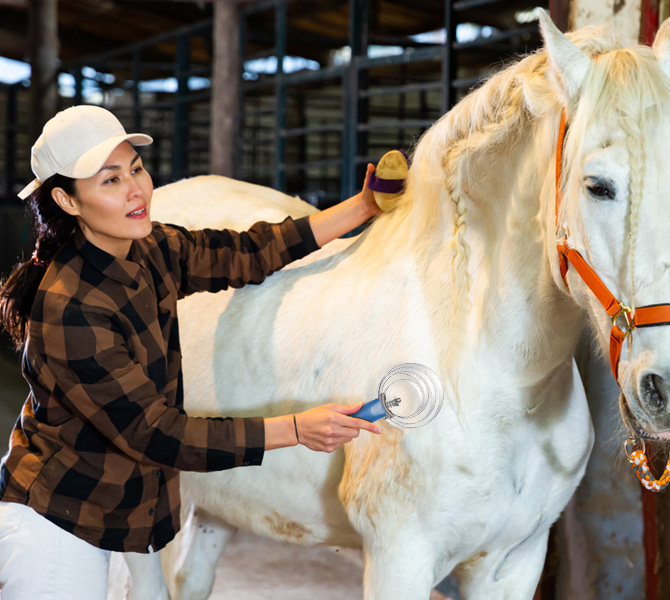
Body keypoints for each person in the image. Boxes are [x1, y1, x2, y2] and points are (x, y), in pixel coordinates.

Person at [0, 105, 386, 598]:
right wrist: (296, 429)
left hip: (108, 509)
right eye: (110, 181)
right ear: (67, 200)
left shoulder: (149, 249)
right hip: (55, 526)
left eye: (136, 168)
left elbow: (245, 252)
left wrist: (361, 208)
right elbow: (157, 433)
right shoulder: (69, 307)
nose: (137, 190)